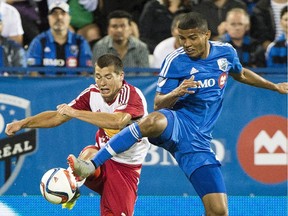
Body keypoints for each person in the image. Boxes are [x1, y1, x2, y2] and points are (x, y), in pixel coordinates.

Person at [66, 12, 288, 216]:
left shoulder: (226, 53)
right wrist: (178, 92)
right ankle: (93, 164)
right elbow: (158, 102)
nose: (187, 44)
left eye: (192, 37)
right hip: (177, 122)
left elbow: (241, 74)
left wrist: (275, 86)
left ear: (206, 34)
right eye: (182, 38)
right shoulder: (175, 61)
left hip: (198, 142)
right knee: (152, 120)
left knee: (218, 211)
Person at [5, 53, 151, 216]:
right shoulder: (92, 93)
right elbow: (57, 116)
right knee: (88, 155)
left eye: (108, 77)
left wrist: (75, 112)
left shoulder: (132, 95)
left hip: (125, 167)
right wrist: (23, 123)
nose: (102, 83)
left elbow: (117, 121)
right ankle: (73, 181)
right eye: (98, 76)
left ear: (121, 76)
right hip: (99, 157)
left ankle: (77, 178)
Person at [26, 1, 92, 76]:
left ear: (69, 18)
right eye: (54, 14)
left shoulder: (80, 42)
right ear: (48, 18)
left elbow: (86, 72)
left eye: (63, 13)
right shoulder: (39, 41)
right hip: (45, 86)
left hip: (75, 87)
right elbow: (32, 72)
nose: (59, 17)